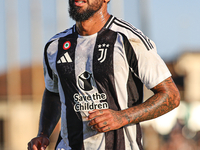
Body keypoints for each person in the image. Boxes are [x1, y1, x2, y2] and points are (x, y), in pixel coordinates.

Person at [27, 0, 180, 150]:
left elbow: (171, 95)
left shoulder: (129, 39)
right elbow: (53, 93)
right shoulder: (55, 46)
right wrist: (43, 133)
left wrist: (122, 117)